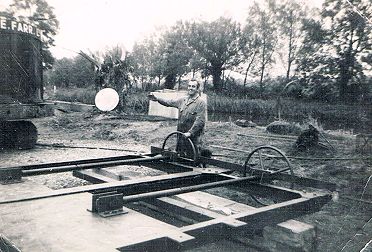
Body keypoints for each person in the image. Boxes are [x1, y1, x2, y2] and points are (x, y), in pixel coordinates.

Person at [148, 79, 207, 159]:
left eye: (193, 86)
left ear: (197, 89)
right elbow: (169, 102)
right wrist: (157, 99)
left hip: (193, 137)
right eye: (189, 86)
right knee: (180, 156)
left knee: (193, 158)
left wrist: (190, 133)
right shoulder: (183, 100)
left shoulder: (201, 103)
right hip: (181, 135)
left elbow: (200, 120)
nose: (190, 88)